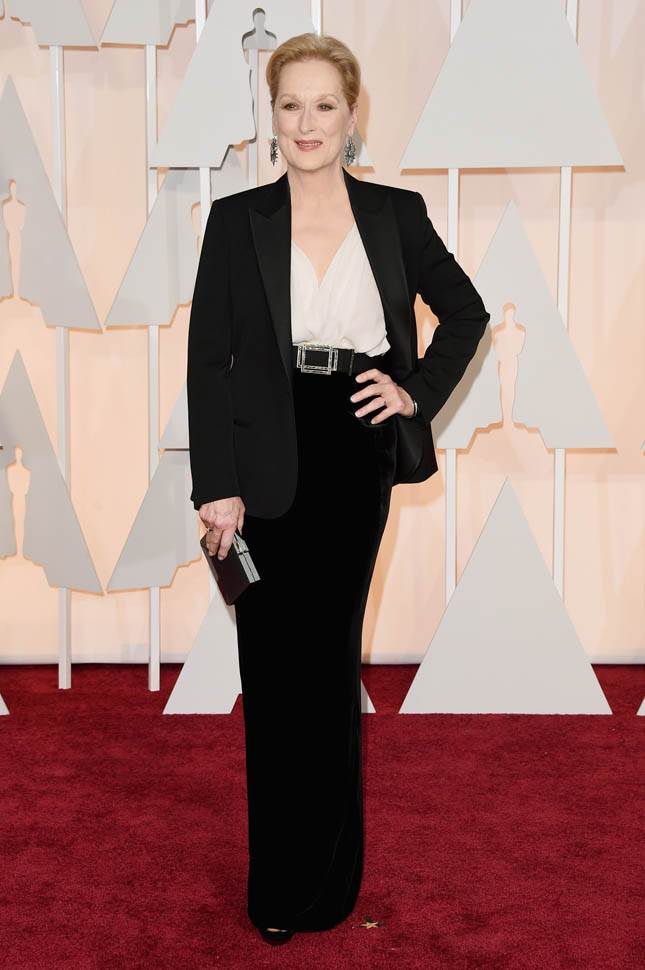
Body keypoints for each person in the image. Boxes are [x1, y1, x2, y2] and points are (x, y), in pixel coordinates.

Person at [186, 32, 490, 945]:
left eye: (324, 105)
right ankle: (279, 887)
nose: (307, 122)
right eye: (291, 105)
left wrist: (413, 392)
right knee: (270, 672)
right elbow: (208, 361)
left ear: (351, 116)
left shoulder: (394, 213)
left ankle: (329, 880)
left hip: (353, 449)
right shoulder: (235, 220)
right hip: (261, 456)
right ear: (271, 116)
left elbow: (465, 312)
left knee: (325, 668)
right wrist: (216, 487)